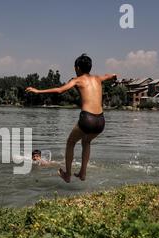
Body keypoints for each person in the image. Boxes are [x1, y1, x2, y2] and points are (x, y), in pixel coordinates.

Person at [26, 54, 116, 182]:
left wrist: (38, 91)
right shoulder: (98, 78)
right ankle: (83, 173)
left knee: (71, 142)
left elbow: (59, 90)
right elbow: (109, 75)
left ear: (78, 68)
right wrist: (114, 76)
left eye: (75, 67)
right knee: (86, 142)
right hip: (101, 121)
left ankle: (67, 174)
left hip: (87, 119)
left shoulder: (77, 80)